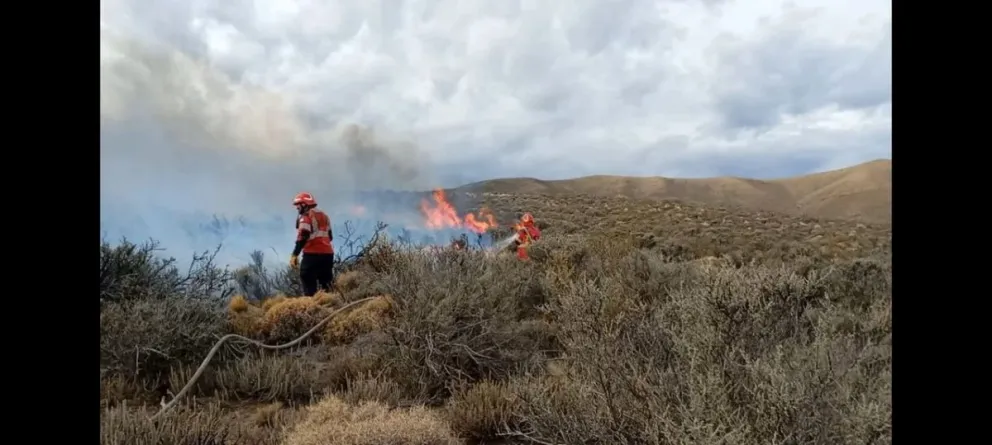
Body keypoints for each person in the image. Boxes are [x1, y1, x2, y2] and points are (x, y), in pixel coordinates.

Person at [289, 192, 335, 296]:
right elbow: (330, 237)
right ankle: (330, 305)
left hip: (312, 255)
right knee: (327, 285)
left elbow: (302, 237)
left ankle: (312, 307)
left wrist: (295, 254)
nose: (297, 208)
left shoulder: (305, 217)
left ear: (305, 204)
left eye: (298, 205)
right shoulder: (325, 216)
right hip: (328, 255)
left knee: (308, 282)